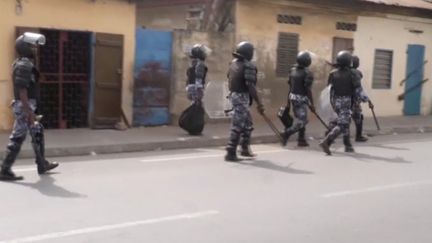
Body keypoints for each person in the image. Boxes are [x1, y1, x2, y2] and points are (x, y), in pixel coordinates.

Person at [0, 32, 59, 181]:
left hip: (25, 105)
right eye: (32, 46)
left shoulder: (24, 63)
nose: (35, 49)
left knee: (37, 131)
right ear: (24, 47)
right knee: (18, 136)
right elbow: (22, 90)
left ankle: (41, 164)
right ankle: (4, 169)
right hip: (24, 106)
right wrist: (28, 111)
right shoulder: (24, 65)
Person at [225, 41, 265, 162]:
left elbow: (229, 78)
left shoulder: (233, 64)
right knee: (238, 124)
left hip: (234, 95)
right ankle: (230, 151)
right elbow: (250, 86)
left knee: (248, 124)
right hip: (241, 97)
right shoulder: (249, 66)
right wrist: (259, 103)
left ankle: (244, 149)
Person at [320, 50, 363, 155]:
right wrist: (364, 100)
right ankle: (327, 141)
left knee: (343, 122)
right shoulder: (352, 73)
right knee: (343, 124)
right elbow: (358, 89)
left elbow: (329, 88)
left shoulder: (333, 73)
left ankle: (347, 145)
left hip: (335, 102)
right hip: (347, 102)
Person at [281, 51, 315, 147]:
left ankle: (301, 140)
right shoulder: (308, 73)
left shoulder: (292, 70)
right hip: (301, 99)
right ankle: (286, 133)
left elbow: (290, 86)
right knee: (303, 120)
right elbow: (308, 89)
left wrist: (288, 102)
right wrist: (312, 104)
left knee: (300, 118)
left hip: (293, 97)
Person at [351, 55, 374, 142]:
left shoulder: (344, 71)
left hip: (342, 99)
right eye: (357, 61)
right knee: (359, 117)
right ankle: (358, 136)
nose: (358, 63)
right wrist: (368, 100)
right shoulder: (356, 73)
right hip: (353, 100)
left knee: (340, 118)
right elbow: (358, 89)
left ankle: (329, 134)